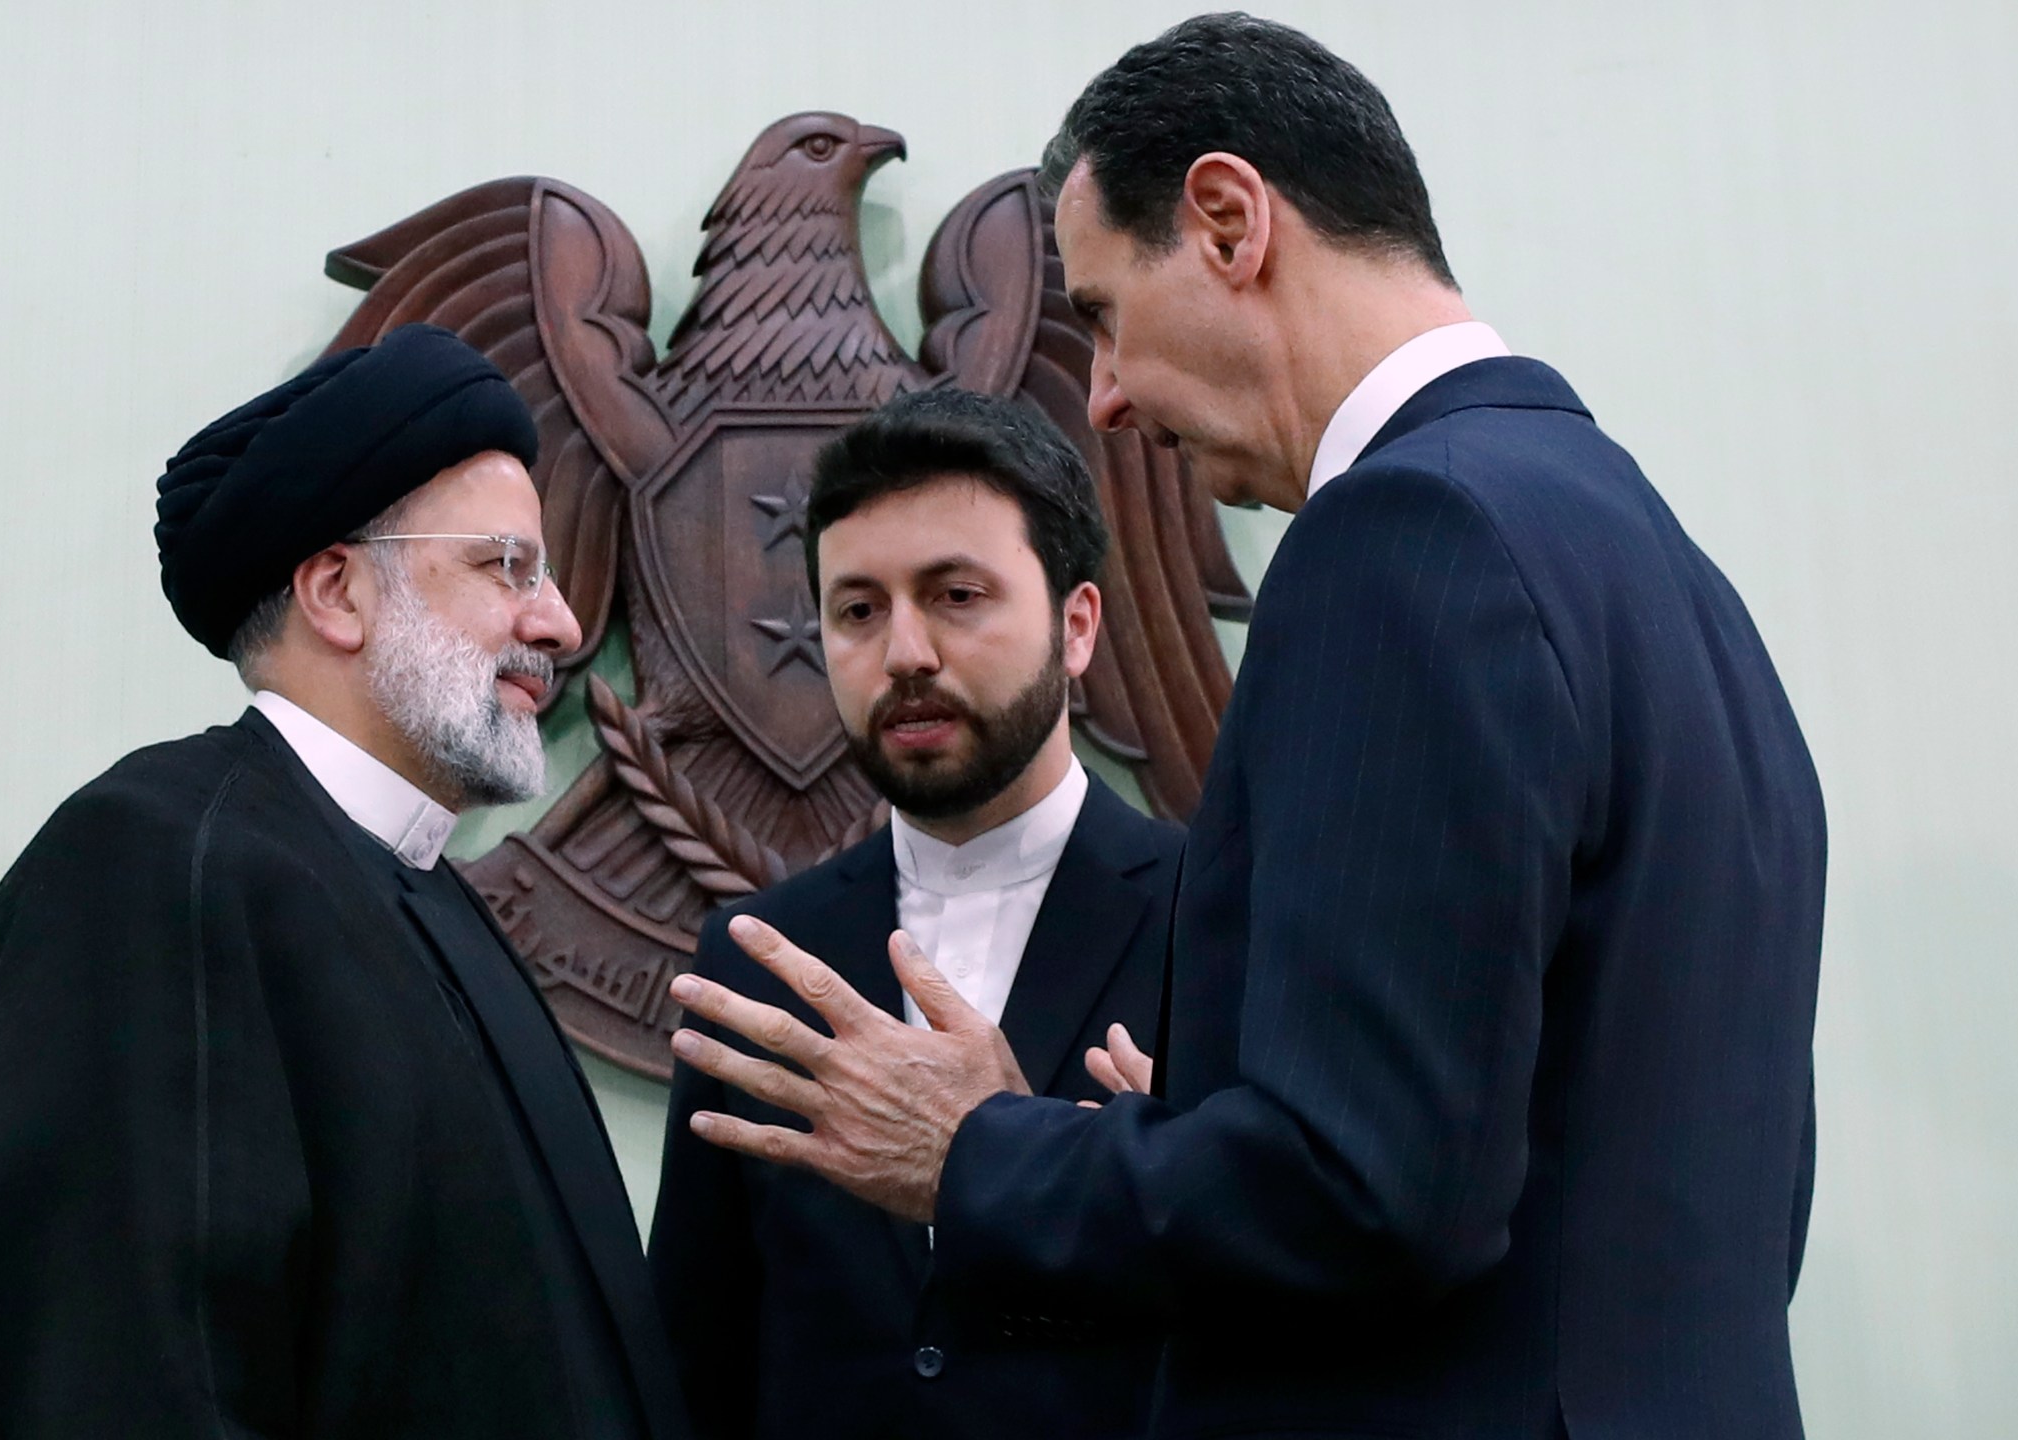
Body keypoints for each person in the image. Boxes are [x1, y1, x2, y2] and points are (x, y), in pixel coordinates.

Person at [662, 14, 1827, 1440]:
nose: (1103, 394)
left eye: (1100, 312)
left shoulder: (1407, 536)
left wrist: (979, 1152)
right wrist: (1199, 1138)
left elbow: (1370, 1197)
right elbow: (1637, 1157)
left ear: (1226, 222)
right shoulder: (1651, 556)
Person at [0, 323, 690, 1440]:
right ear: (336, 593)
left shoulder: (424, 891)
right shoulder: (155, 868)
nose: (556, 621)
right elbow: (110, 1379)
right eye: (505, 567)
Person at [647, 389, 1174, 1440]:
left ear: (1076, 627)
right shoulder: (758, 958)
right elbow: (695, 1357)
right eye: (857, 610)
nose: (904, 654)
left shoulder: (1219, 922)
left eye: (957, 595)